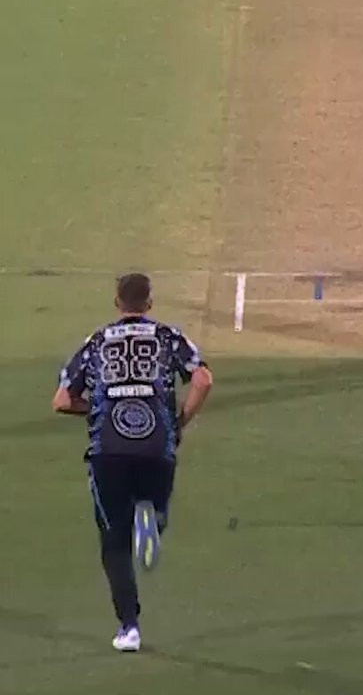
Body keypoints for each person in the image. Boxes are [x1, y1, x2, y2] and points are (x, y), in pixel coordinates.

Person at [52, 272, 213, 652]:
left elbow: (61, 400)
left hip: (108, 448)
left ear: (117, 303)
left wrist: (99, 408)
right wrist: (180, 421)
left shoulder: (96, 342)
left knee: (113, 543)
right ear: (149, 303)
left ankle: (129, 627)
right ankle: (153, 516)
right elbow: (203, 379)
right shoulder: (167, 336)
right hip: (156, 442)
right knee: (154, 505)